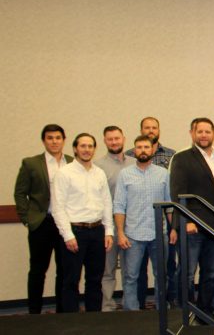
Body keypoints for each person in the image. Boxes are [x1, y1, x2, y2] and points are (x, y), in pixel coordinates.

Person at [168, 117, 214, 314]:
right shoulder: (182, 157)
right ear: (192, 134)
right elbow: (177, 193)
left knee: (210, 272)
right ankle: (184, 313)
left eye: (207, 132)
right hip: (192, 226)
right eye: (199, 131)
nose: (204, 135)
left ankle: (204, 313)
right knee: (186, 272)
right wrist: (185, 221)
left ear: (213, 134)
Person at [51, 133, 114, 312]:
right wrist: (67, 235)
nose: (87, 150)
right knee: (71, 280)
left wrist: (108, 231)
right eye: (83, 146)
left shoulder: (99, 173)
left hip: (97, 231)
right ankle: (71, 321)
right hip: (74, 232)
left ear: (94, 149)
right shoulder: (64, 173)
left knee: (95, 279)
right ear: (75, 149)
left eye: (90, 146)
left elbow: (107, 203)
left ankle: (93, 319)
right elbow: (58, 208)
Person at [16, 124, 72, 314]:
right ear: (44, 141)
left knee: (64, 270)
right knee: (38, 270)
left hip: (65, 224)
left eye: (58, 137)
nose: (54, 141)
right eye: (50, 138)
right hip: (42, 223)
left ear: (64, 140)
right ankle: (34, 312)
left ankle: (61, 312)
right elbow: (20, 193)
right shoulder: (31, 163)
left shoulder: (72, 162)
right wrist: (27, 219)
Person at [114, 135, 171, 310]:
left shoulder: (163, 174)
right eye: (139, 147)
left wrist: (173, 229)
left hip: (158, 234)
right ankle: (132, 313)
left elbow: (169, 205)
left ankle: (162, 311)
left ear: (152, 149)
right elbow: (119, 206)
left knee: (161, 275)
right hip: (133, 236)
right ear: (134, 150)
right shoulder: (125, 174)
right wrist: (121, 233)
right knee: (131, 277)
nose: (143, 150)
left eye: (146, 147)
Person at [93, 125, 138, 311]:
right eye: (110, 139)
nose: (114, 142)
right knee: (108, 270)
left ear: (123, 139)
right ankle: (108, 307)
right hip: (108, 227)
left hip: (132, 226)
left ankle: (129, 306)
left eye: (117, 138)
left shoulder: (135, 163)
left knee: (130, 271)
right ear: (104, 141)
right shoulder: (97, 166)